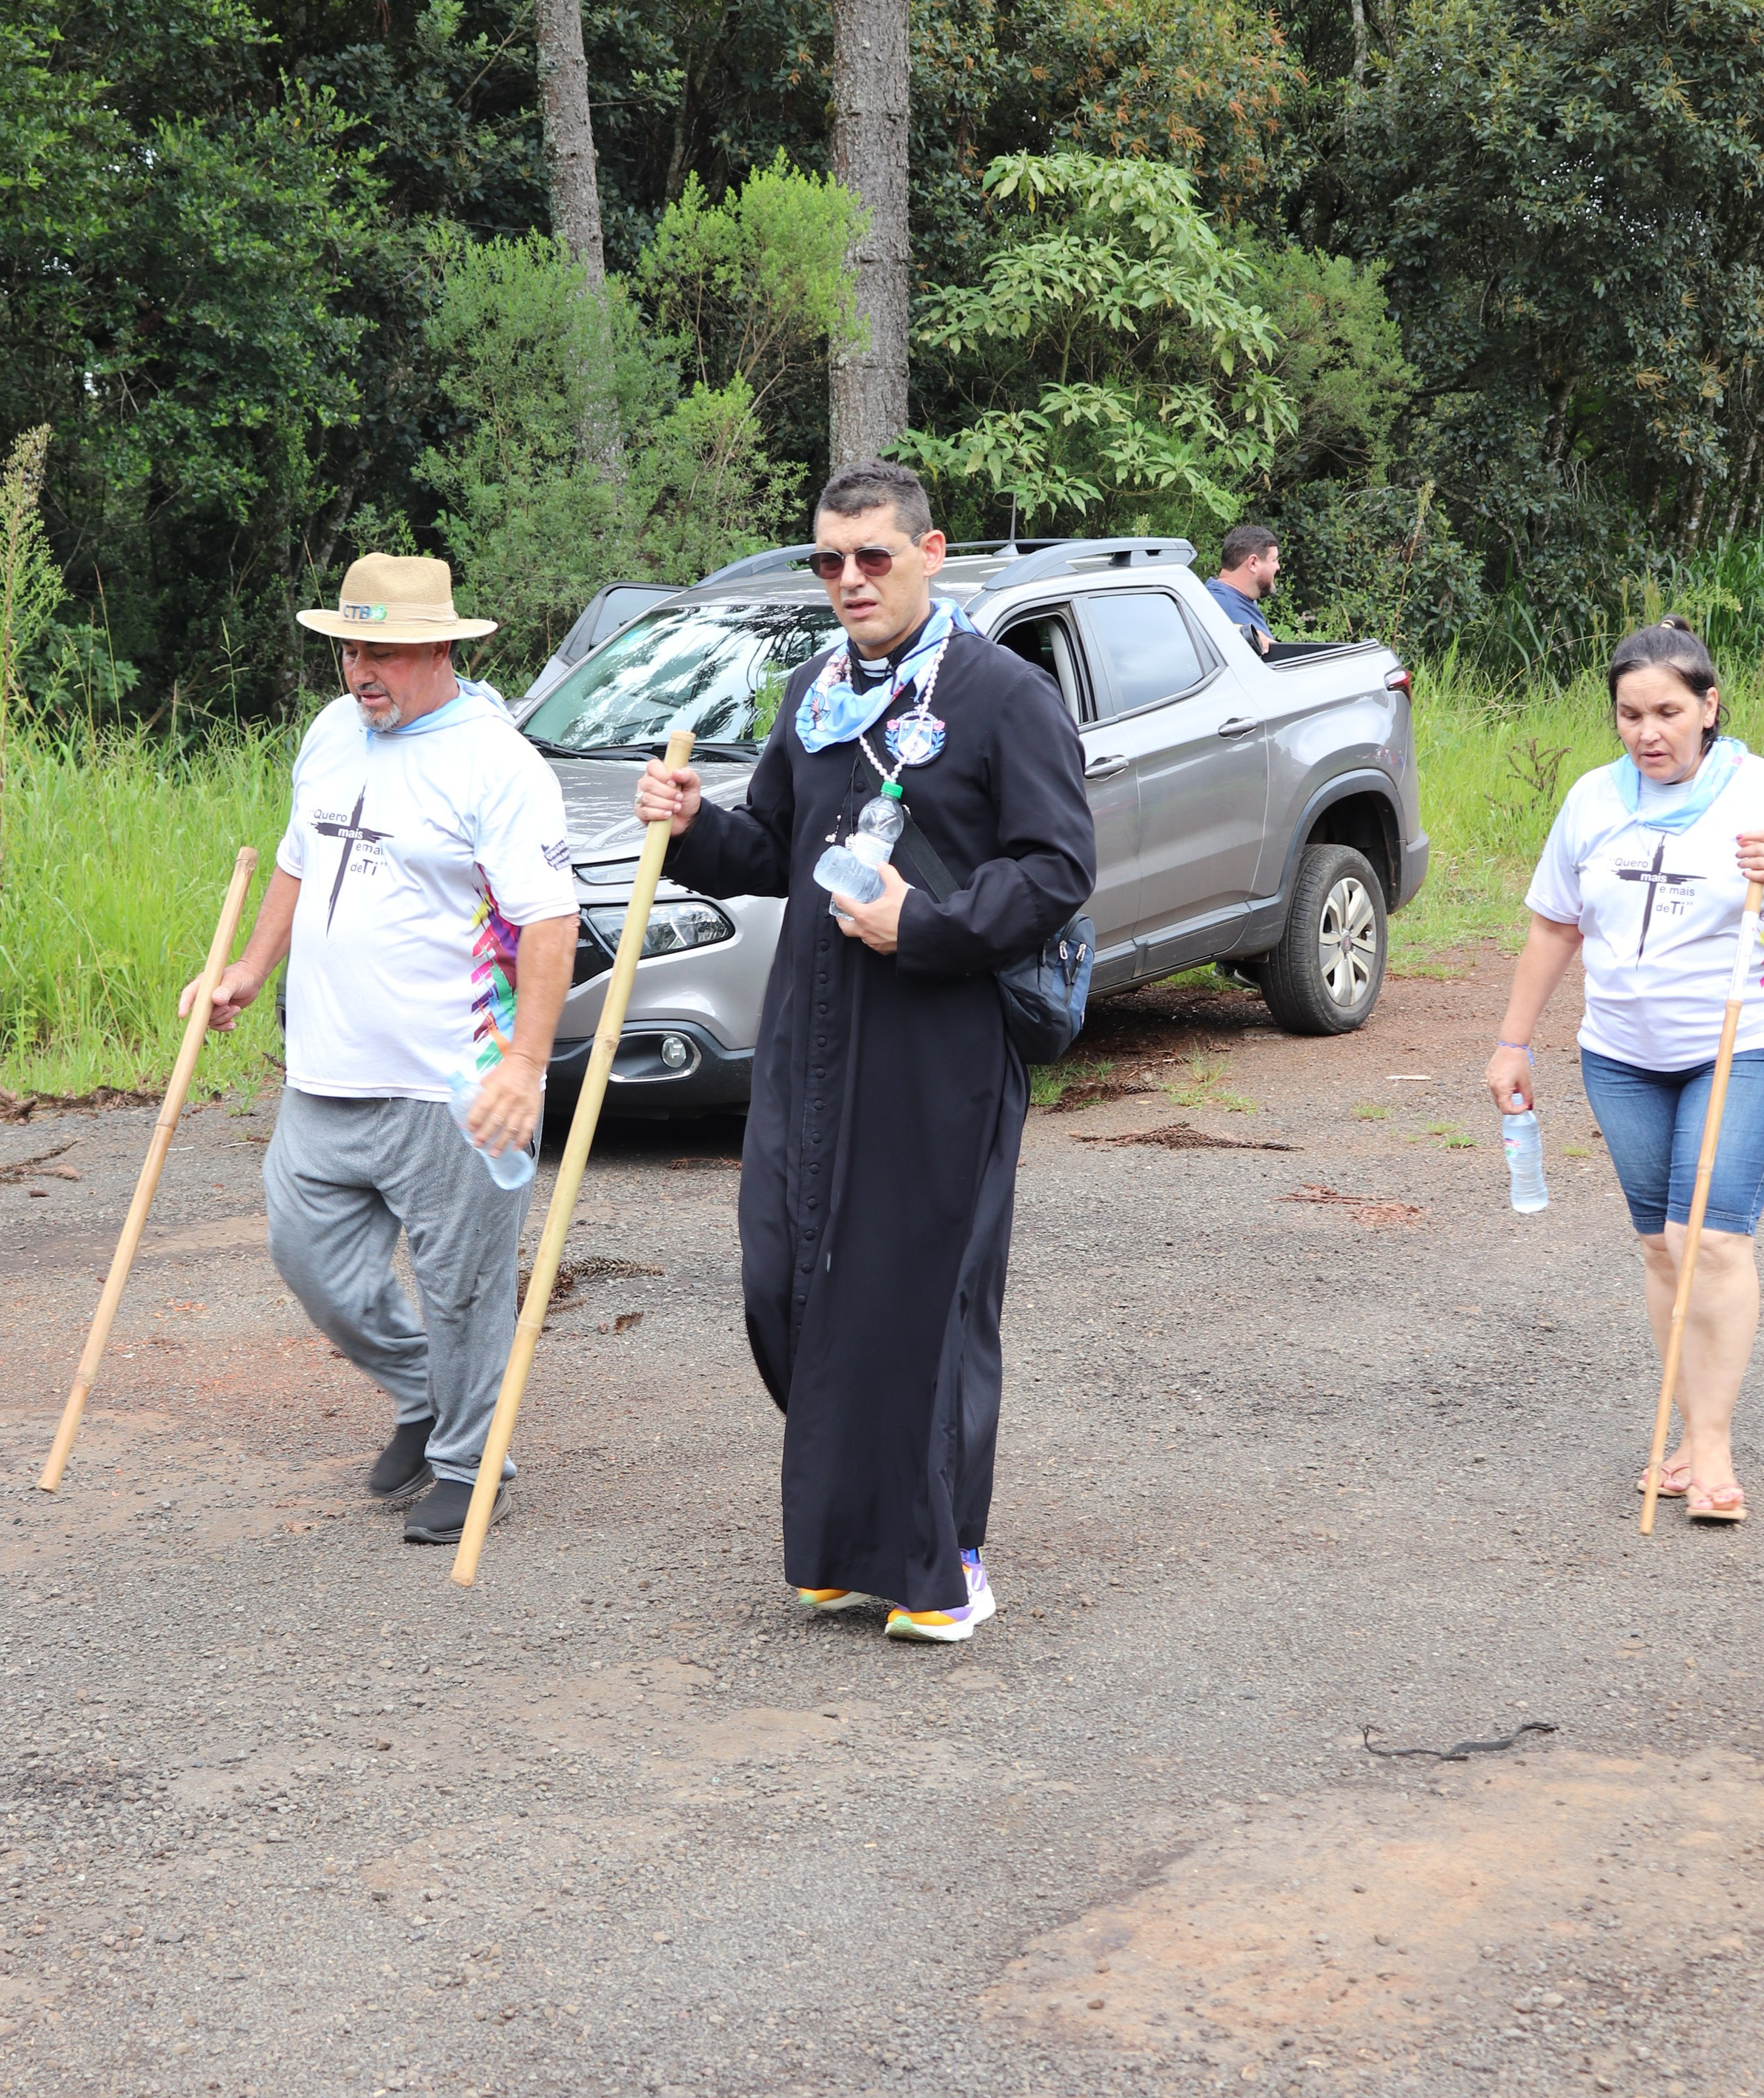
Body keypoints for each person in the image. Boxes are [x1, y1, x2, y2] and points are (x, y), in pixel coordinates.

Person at [632, 463, 1095, 1641]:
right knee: (787, 1283)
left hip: (939, 1036)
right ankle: (846, 1540)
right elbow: (774, 848)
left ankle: (945, 1562)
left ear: (930, 553)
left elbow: (1056, 870)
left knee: (919, 1302)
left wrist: (925, 925)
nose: (848, 580)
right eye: (828, 560)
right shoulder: (816, 692)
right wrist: (693, 830)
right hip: (812, 1031)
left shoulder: (1003, 695)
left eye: (872, 557)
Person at [180, 555, 580, 1545]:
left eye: (386, 653)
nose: (364, 671)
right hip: (329, 1066)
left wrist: (525, 1066)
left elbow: (550, 922)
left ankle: (467, 1458)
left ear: (440, 648)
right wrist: (244, 971)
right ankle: (424, 1395)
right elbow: (296, 859)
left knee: (465, 1289)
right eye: (353, 649)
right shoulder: (332, 734)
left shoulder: (497, 762)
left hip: (455, 1077)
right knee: (307, 1252)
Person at [1486, 618, 1764, 1526]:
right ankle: (1684, 1436)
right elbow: (1553, 927)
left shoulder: (1754, 793)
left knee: (1711, 1240)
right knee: (1659, 1244)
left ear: (1709, 706)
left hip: (1737, 1047)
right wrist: (1512, 1042)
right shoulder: (1592, 801)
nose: (1648, 732)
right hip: (1620, 1056)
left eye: (1668, 712)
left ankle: (1715, 1449)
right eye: (1630, 714)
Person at [1205, 523, 1280, 655]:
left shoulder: (1239, 597)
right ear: (1253, 563)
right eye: (1274, 560)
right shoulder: (1217, 604)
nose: (1278, 567)